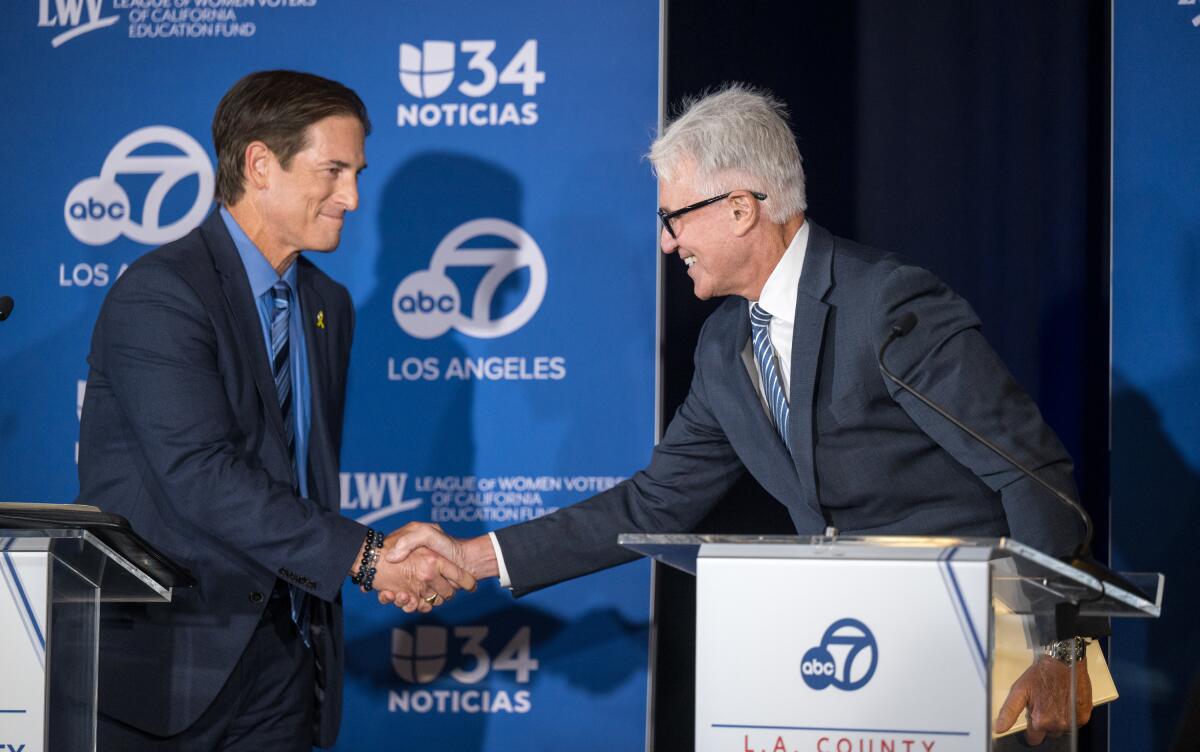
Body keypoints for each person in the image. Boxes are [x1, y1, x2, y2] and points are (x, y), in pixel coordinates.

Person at [382, 84, 1094, 746]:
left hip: (977, 659)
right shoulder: (727, 344)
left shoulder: (886, 305)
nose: (666, 243)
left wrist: (1062, 649)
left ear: (740, 208)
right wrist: (473, 560)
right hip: (853, 663)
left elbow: (1031, 472)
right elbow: (654, 503)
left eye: (673, 217)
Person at [76, 69, 473, 751]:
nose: (352, 196)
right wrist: (370, 558)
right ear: (261, 164)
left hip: (289, 658)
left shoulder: (327, 304)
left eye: (358, 173)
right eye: (335, 170)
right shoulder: (161, 295)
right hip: (168, 666)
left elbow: (301, 475)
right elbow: (202, 475)